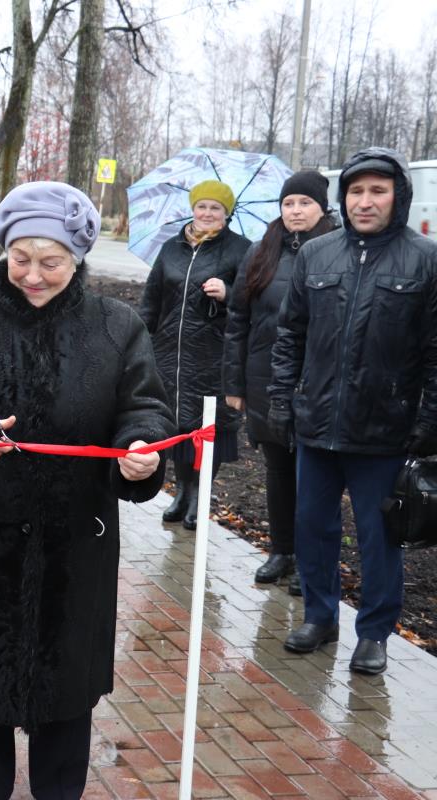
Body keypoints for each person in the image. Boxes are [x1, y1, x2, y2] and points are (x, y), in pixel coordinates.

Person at [0, 181, 174, 799]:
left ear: (78, 257)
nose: (31, 274)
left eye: (49, 261)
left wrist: (139, 452)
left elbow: (146, 409)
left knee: (65, 696)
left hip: (74, 545)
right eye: (19, 258)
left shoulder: (116, 327)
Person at [269, 147, 437, 675]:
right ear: (344, 197)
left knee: (377, 537)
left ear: (397, 197)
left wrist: (428, 420)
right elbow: (289, 334)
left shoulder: (424, 259)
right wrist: (281, 399)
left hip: (385, 431)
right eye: (357, 191)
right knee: (312, 527)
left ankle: (375, 633)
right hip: (316, 424)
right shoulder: (317, 255)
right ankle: (320, 616)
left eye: (377, 191)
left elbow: (434, 351)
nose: (365, 202)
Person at [223, 171, 337, 591]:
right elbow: (238, 320)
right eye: (289, 203)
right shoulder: (261, 251)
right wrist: (234, 385)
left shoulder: (336, 252)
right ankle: (282, 551)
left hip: (316, 384)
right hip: (263, 379)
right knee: (278, 471)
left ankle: (311, 562)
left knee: (315, 479)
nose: (295, 211)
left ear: (322, 207)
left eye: (304, 203)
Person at [140, 180, 251, 530]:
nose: (207, 213)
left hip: (213, 357)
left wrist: (228, 293)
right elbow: (151, 299)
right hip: (169, 356)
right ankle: (183, 492)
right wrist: (139, 340)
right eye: (201, 206)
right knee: (177, 426)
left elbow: (252, 305)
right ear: (192, 209)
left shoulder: (240, 250)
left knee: (207, 429)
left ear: (226, 213)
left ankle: (200, 497)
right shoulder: (171, 248)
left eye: (215, 208)